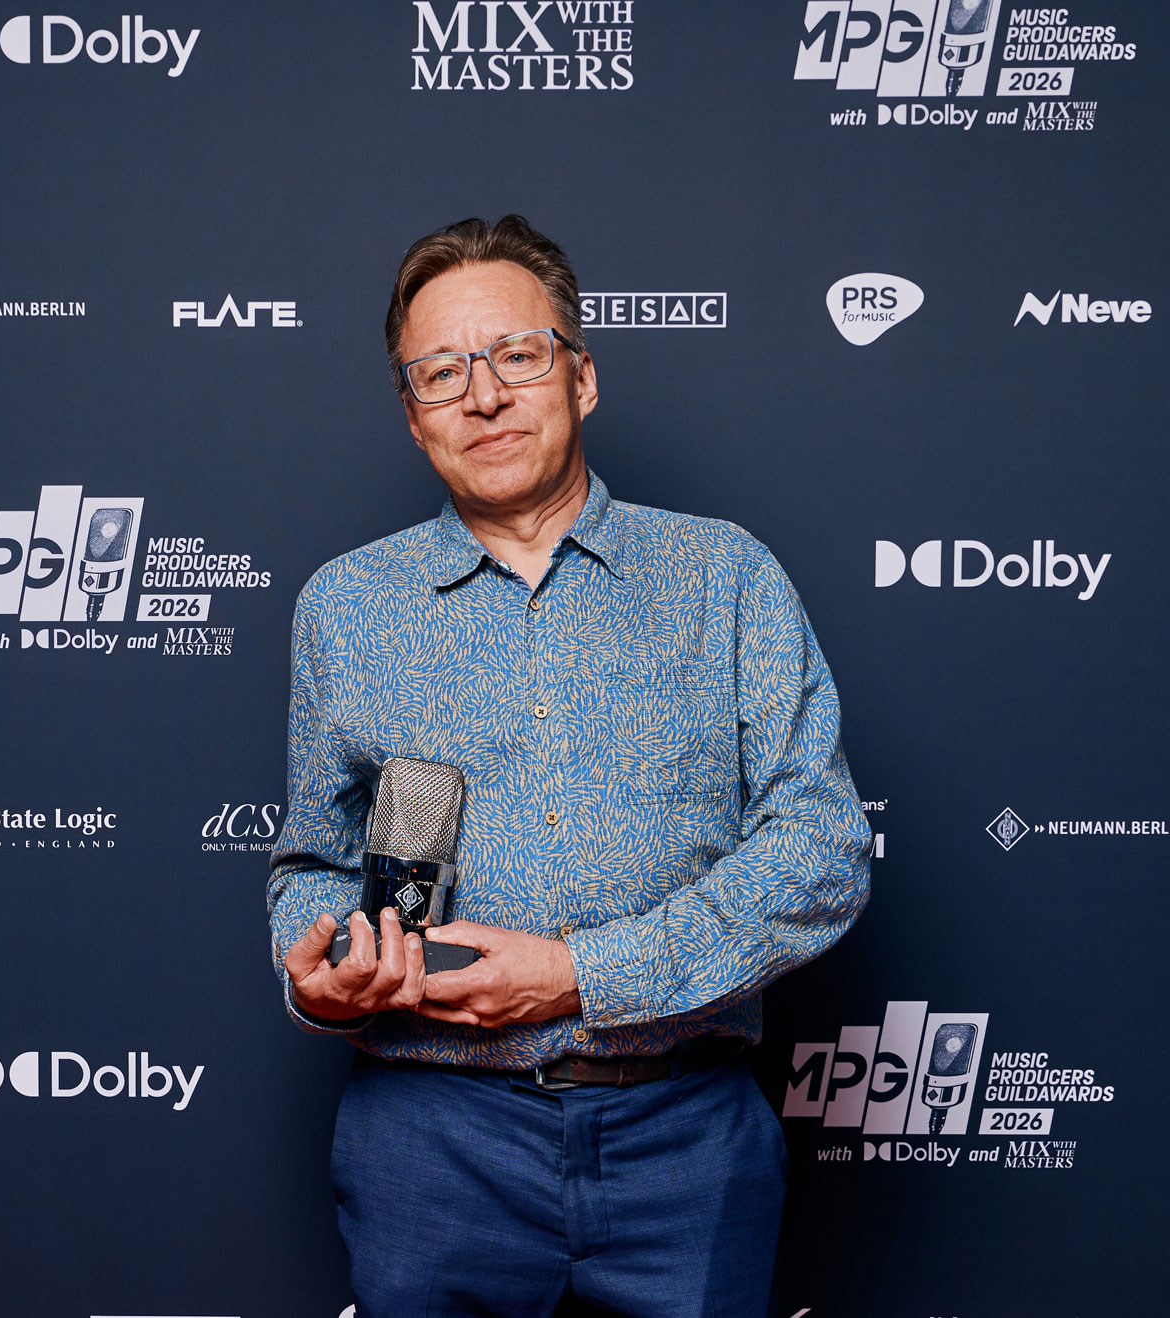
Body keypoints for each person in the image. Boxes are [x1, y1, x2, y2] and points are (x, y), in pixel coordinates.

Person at [268, 215, 871, 1317]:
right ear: (413, 414)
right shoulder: (343, 607)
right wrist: (320, 977)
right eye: (442, 372)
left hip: (685, 1142)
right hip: (432, 1147)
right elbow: (312, 864)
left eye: (517, 355)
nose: (484, 396)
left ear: (581, 377)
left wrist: (583, 975)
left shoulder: (724, 577)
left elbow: (822, 855)